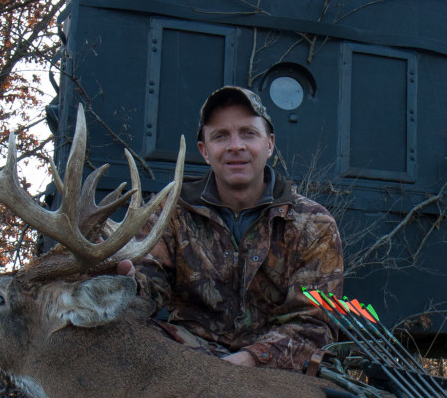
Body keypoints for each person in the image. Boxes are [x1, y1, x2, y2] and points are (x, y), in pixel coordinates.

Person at [125, 85, 344, 371]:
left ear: (269, 144)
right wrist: (127, 282)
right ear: (205, 151)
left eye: (248, 133)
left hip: (274, 370)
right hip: (187, 359)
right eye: (220, 136)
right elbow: (148, 284)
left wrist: (248, 361)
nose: (235, 146)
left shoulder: (313, 224)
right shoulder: (170, 211)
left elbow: (315, 325)